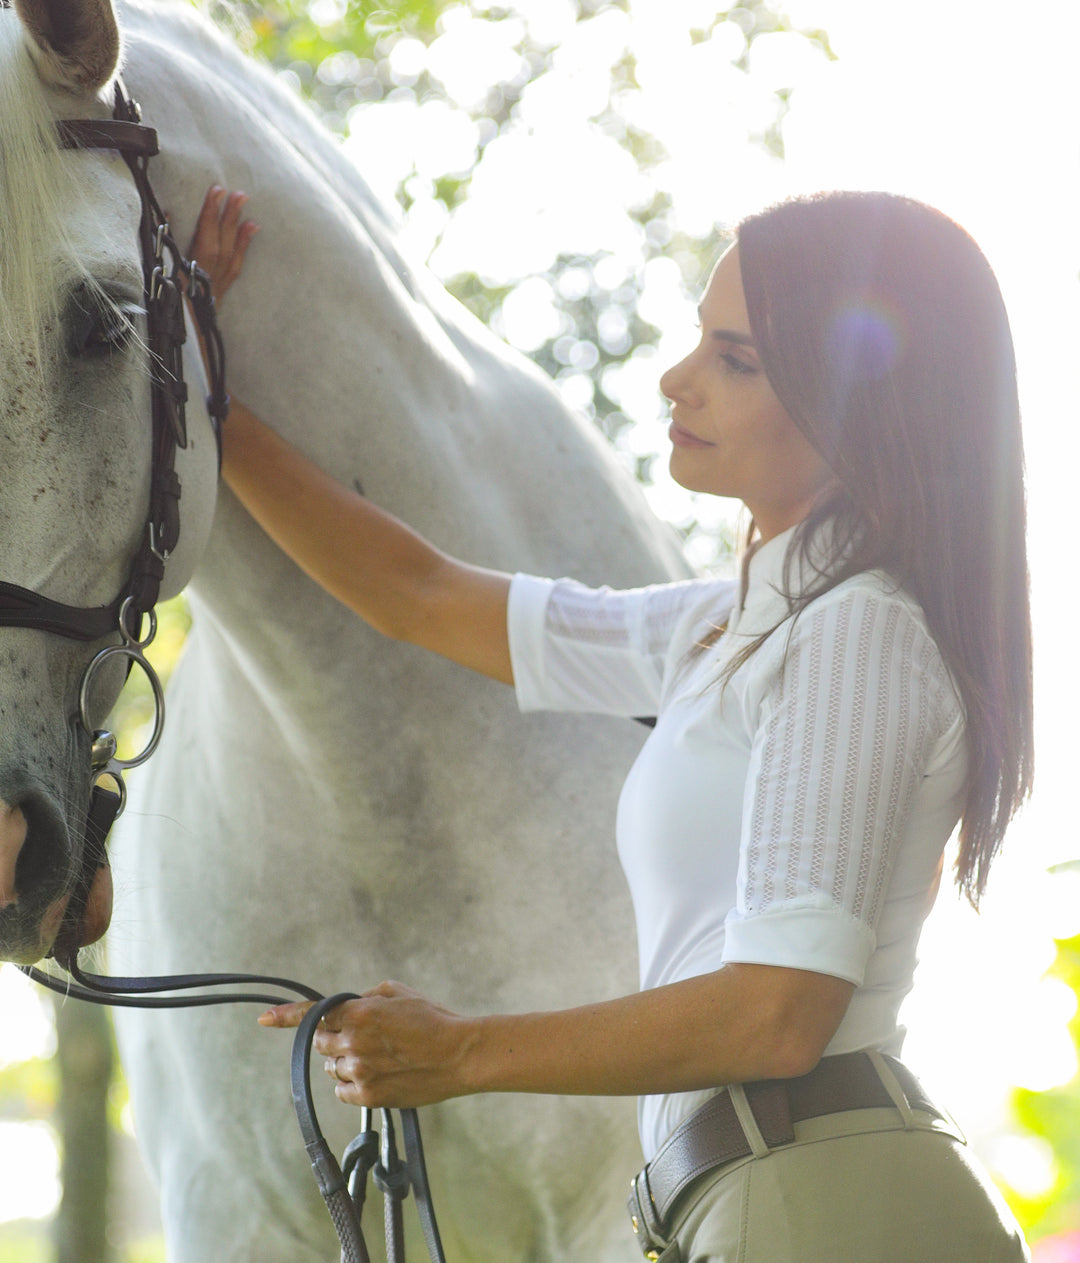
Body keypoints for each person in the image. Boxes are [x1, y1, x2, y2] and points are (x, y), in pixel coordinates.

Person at [189, 184, 1033, 1260]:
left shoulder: (859, 641)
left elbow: (776, 1015)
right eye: (700, 342)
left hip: (820, 1203)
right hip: (753, 1195)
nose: (680, 379)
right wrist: (206, 399)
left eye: (738, 361)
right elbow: (416, 594)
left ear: (861, 407)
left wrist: (458, 1055)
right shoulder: (734, 626)